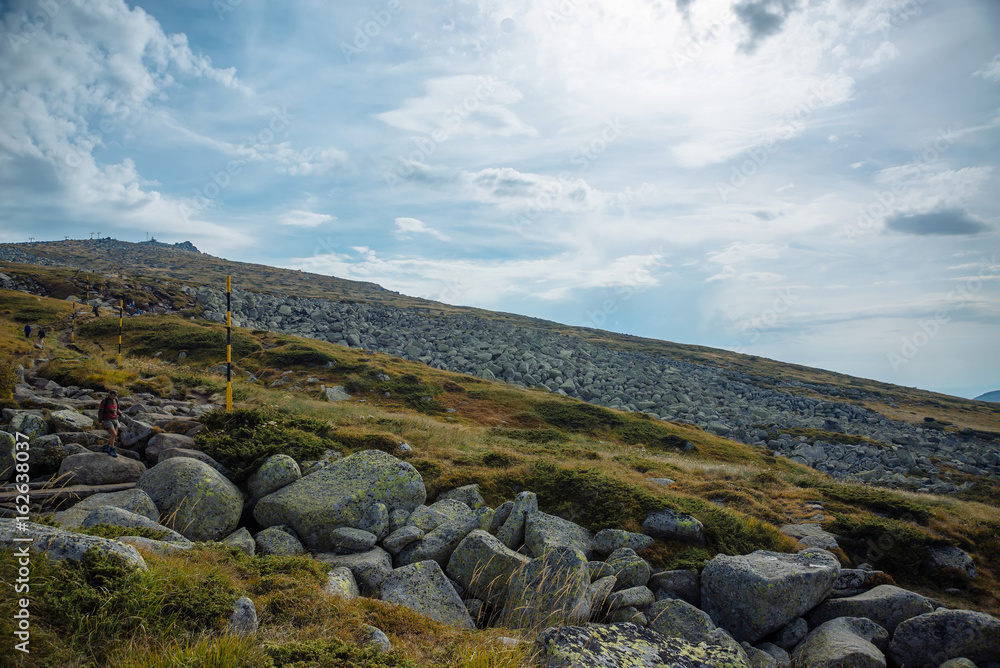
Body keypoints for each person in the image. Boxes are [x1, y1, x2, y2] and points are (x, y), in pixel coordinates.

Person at [98, 389, 120, 457]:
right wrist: (100, 420)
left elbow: (117, 409)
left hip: (115, 419)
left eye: (116, 395)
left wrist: (121, 414)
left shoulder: (116, 400)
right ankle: (112, 449)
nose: (114, 397)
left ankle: (106, 446)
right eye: (113, 395)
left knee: (114, 435)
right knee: (113, 433)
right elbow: (100, 411)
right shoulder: (105, 401)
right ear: (110, 395)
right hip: (108, 419)